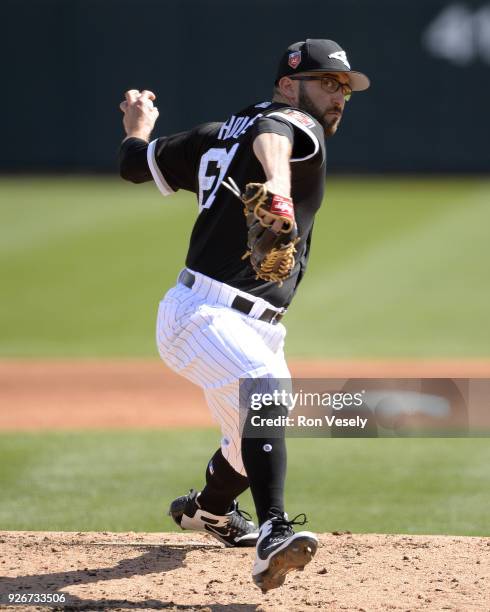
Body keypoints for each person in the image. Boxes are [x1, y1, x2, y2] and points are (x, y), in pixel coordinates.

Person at [119, 38, 370, 593]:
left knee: (247, 439)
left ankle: (207, 510)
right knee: (267, 395)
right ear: (287, 85)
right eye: (326, 83)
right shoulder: (290, 123)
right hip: (205, 313)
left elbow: (136, 166)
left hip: (245, 322)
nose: (338, 96)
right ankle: (275, 531)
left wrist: (138, 127)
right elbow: (273, 137)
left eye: (343, 87)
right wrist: (278, 191)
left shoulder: (215, 133)